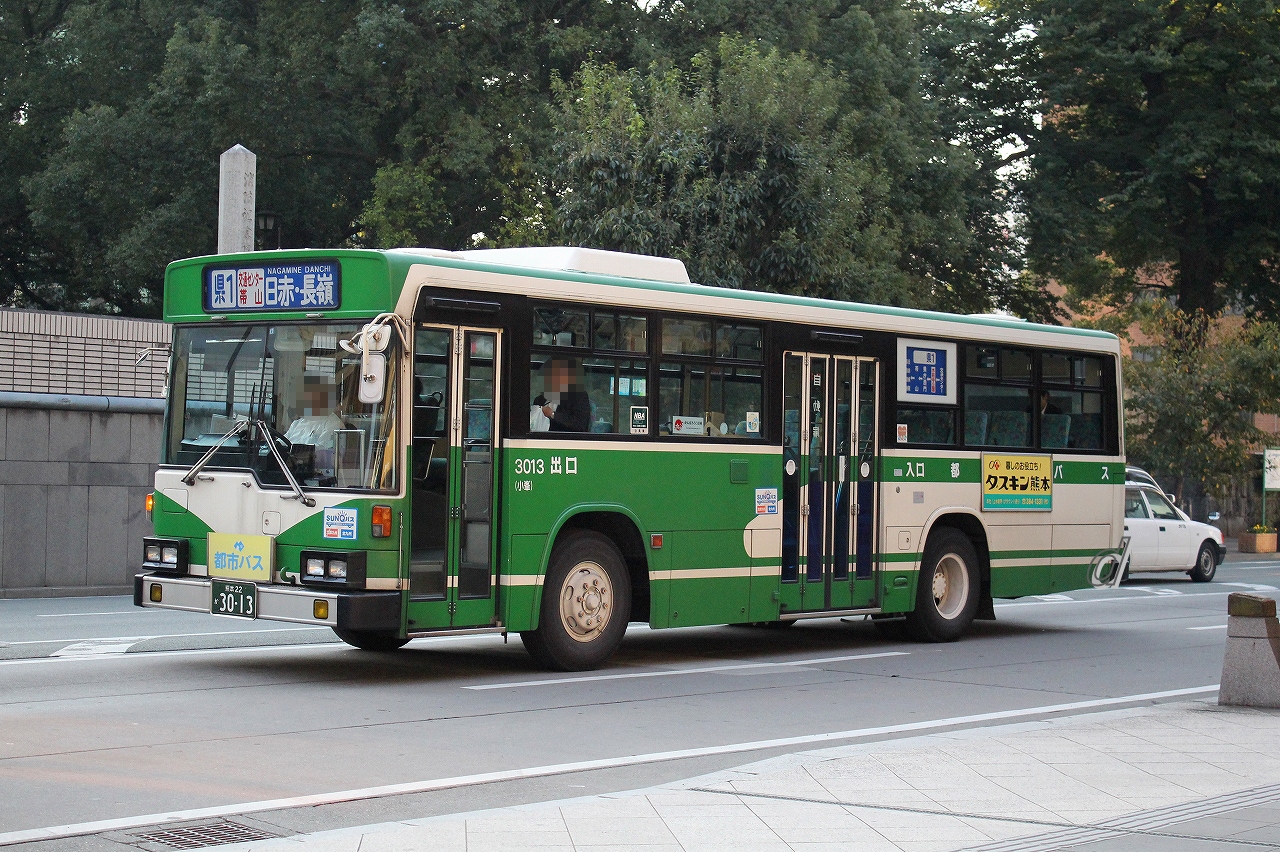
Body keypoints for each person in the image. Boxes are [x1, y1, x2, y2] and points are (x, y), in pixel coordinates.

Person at [285, 374, 347, 449]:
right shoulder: (297, 423)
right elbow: (282, 442)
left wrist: (295, 449)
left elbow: (323, 449)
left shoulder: (333, 423)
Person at [531, 358, 591, 432]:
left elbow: (580, 424)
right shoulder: (539, 400)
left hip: (564, 437)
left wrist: (552, 414)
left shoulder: (579, 396)